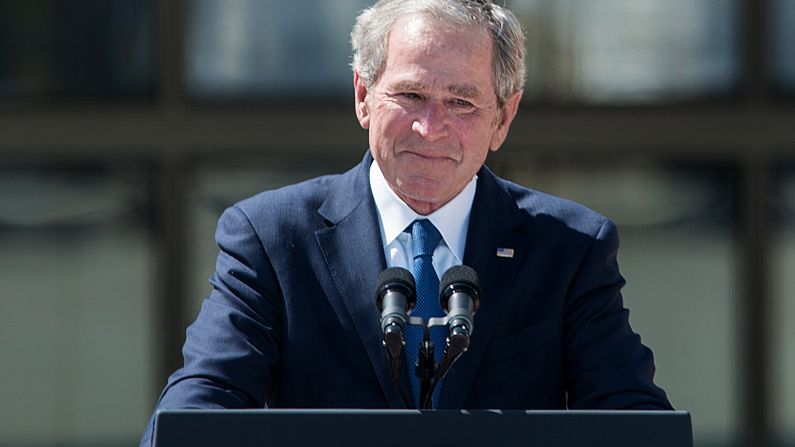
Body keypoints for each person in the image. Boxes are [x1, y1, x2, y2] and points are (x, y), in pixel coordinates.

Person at [141, 0, 671, 444]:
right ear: (363, 96)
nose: (429, 126)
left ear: (502, 119)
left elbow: (632, 420)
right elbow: (199, 411)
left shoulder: (569, 247)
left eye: (461, 102)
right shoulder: (272, 238)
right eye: (411, 94)